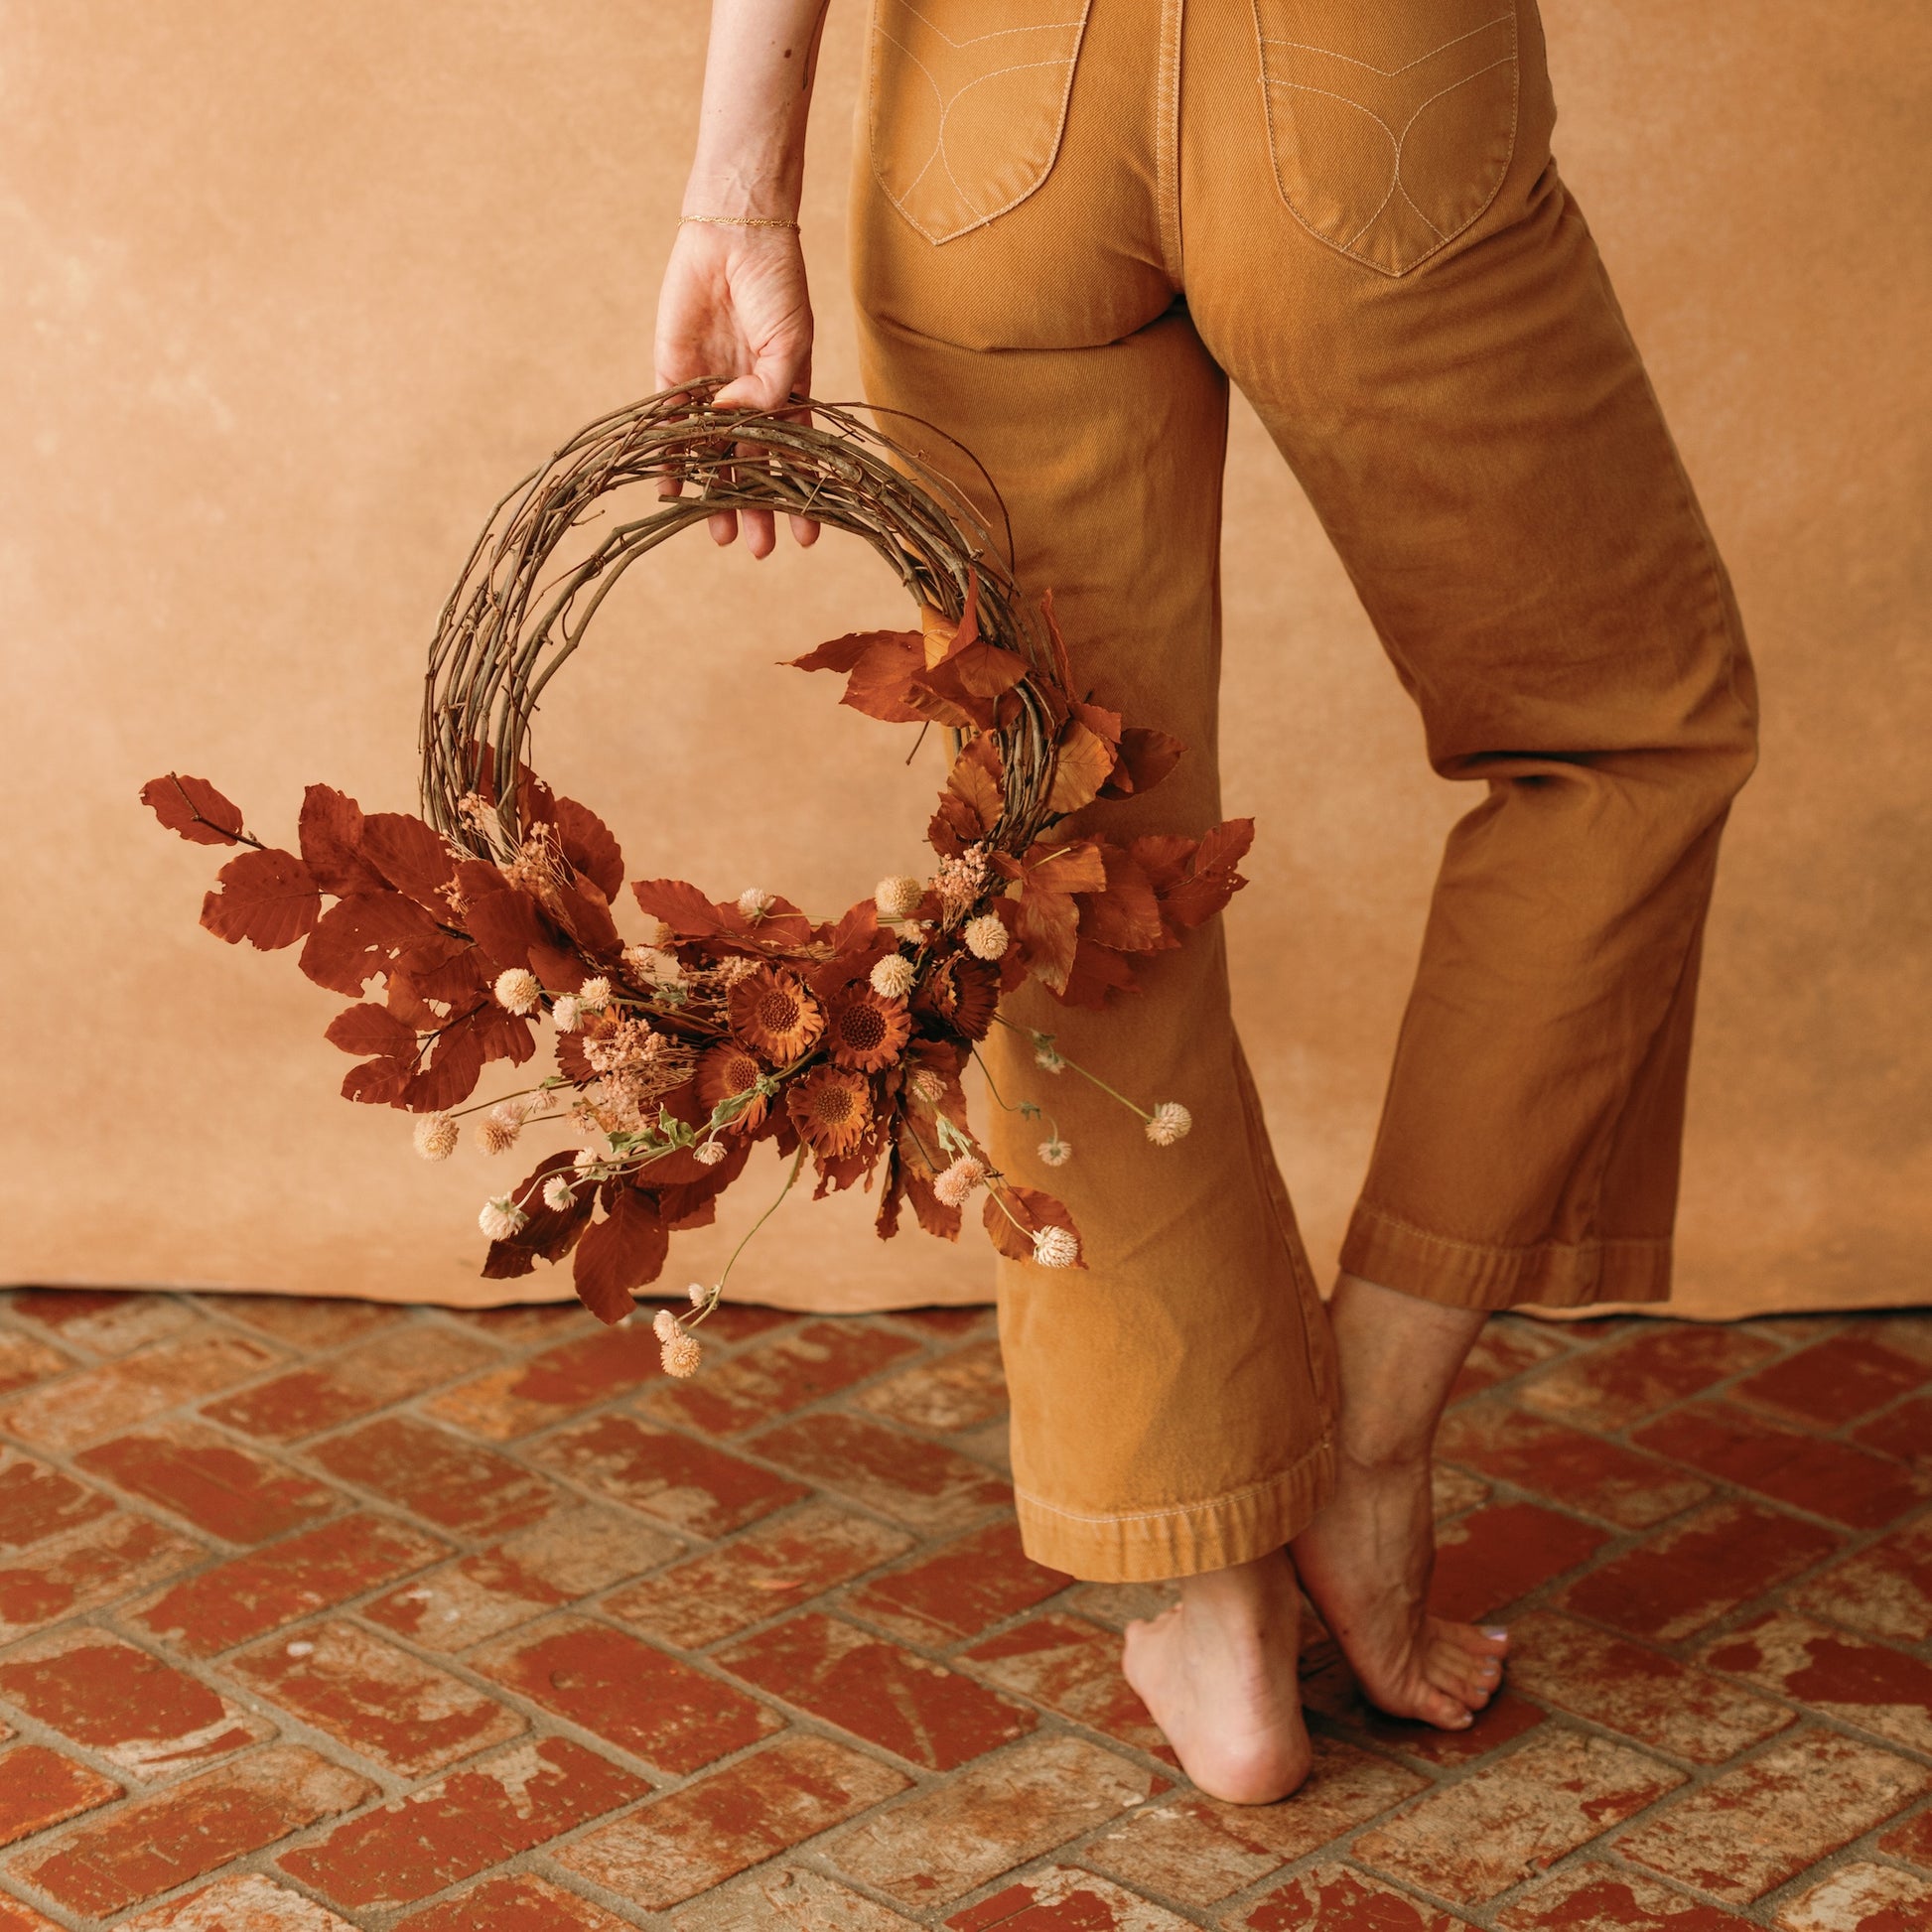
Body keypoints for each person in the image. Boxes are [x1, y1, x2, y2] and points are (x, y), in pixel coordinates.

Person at [654, 0, 1757, 1805]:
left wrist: (734, 198)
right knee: (1617, 735)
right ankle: (1370, 1441)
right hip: (1363, 88)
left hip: (986, 127)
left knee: (1071, 841)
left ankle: (1209, 1598)